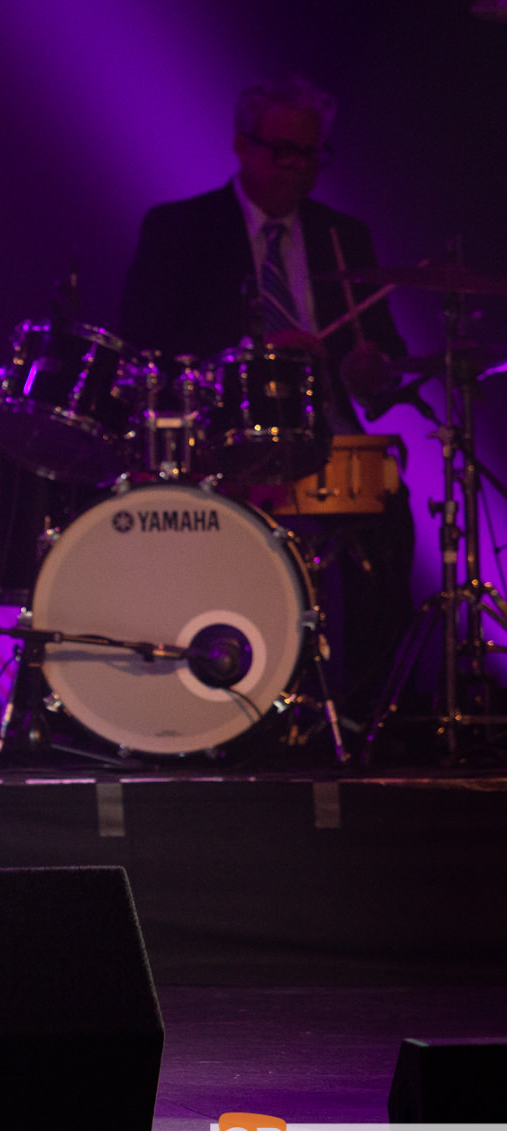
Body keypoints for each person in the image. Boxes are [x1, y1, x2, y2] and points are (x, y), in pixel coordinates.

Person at [119, 74, 416, 733]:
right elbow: (143, 342)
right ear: (241, 146)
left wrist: (370, 368)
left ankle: (368, 716)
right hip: (223, 437)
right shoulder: (180, 228)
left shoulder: (344, 236)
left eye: (310, 154)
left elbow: (383, 356)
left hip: (324, 432)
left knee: (391, 522)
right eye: (282, 151)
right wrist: (252, 349)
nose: (297, 168)